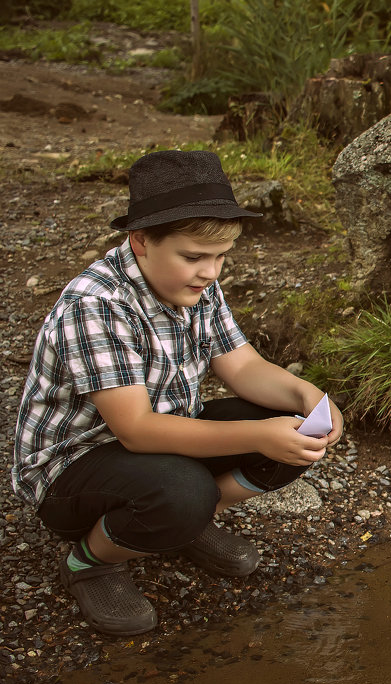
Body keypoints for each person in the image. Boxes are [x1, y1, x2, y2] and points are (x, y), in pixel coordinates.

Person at [10, 149, 344, 637]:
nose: (211, 272)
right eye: (194, 257)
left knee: (292, 428)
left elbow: (245, 365)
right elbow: (137, 430)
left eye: (221, 257)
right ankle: (91, 561)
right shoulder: (96, 305)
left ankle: (187, 523)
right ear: (141, 240)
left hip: (159, 438)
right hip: (75, 466)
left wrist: (309, 396)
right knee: (187, 488)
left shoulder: (195, 284)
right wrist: (258, 435)